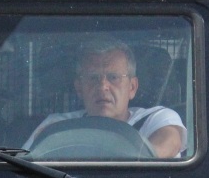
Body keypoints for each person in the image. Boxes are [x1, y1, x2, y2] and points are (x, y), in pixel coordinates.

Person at [24, 38, 185, 158]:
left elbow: (169, 143)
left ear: (132, 87)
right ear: (79, 87)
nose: (102, 87)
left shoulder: (155, 119)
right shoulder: (57, 126)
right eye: (93, 78)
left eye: (113, 77)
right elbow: (27, 165)